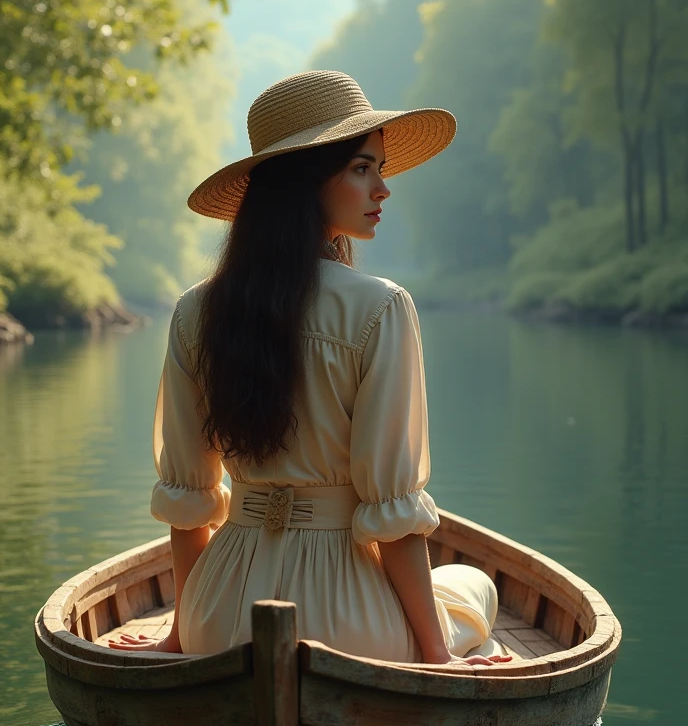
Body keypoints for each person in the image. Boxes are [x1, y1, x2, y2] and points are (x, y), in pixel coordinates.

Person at [109, 70, 511, 669]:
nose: (383, 188)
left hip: (219, 619)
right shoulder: (381, 308)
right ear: (304, 183)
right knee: (474, 586)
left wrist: (179, 634)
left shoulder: (196, 311)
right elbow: (394, 515)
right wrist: (439, 660)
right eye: (361, 168)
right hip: (344, 632)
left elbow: (189, 501)